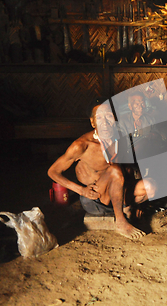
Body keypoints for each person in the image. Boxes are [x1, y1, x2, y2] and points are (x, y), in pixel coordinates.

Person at [48, 103, 155, 240]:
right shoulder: (82, 145)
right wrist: (81, 190)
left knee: (150, 186)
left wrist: (140, 204)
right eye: (99, 118)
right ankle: (121, 221)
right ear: (93, 122)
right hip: (95, 199)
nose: (105, 123)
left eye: (109, 116)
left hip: (116, 195)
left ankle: (126, 209)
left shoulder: (119, 140)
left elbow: (127, 170)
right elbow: (52, 171)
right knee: (114, 170)